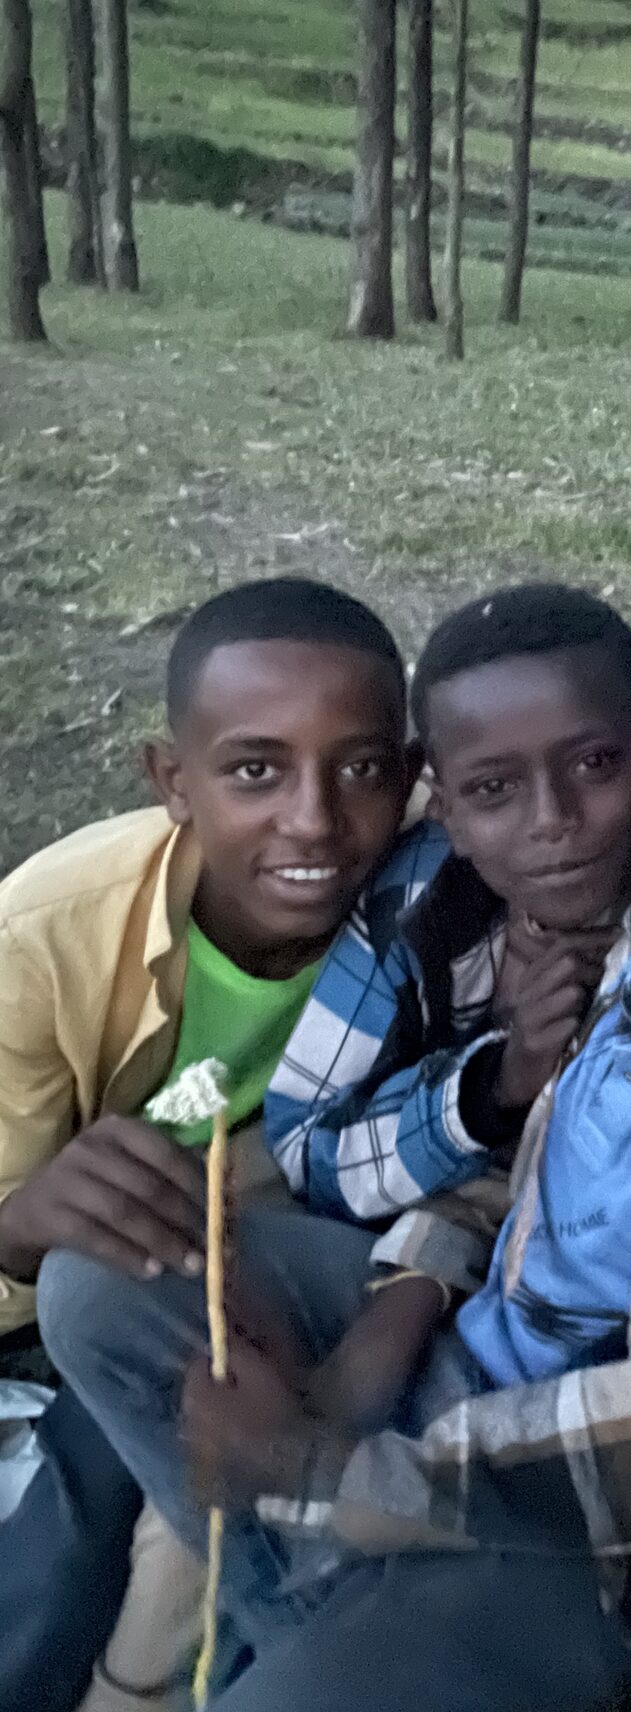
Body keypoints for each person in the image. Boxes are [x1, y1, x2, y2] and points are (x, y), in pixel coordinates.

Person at [37, 556, 631, 1712]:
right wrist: (399, 1307)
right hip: (463, 1353)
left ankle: (342, 1613)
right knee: (96, 1284)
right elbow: (531, 1171)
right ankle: (337, 1606)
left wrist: (315, 1466)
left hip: (586, 1534)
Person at [0, 577, 425, 1712]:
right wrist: (22, 1222)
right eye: (253, 770)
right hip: (96, 1306)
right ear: (169, 780)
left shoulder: (440, 895)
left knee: (195, 1479)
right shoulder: (44, 937)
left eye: (364, 768)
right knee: (87, 1508)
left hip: (293, 1271)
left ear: (415, 771)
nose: (315, 821)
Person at [265, 582, 631, 1430]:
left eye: (595, 764)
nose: (553, 821)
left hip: (611, 1332)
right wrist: (495, 1082)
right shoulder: (417, 902)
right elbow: (304, 1146)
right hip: (409, 1247)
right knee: (101, 1293)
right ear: (444, 808)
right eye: (493, 789)